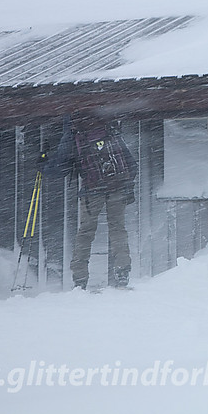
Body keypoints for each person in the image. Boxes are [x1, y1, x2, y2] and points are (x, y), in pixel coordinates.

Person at [49, 111, 138, 289]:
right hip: (117, 187)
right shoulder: (109, 127)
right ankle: (122, 271)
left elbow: (60, 168)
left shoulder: (74, 132)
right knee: (117, 228)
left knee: (85, 232)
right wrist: (128, 184)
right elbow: (130, 162)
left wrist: (44, 160)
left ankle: (80, 277)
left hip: (92, 190)